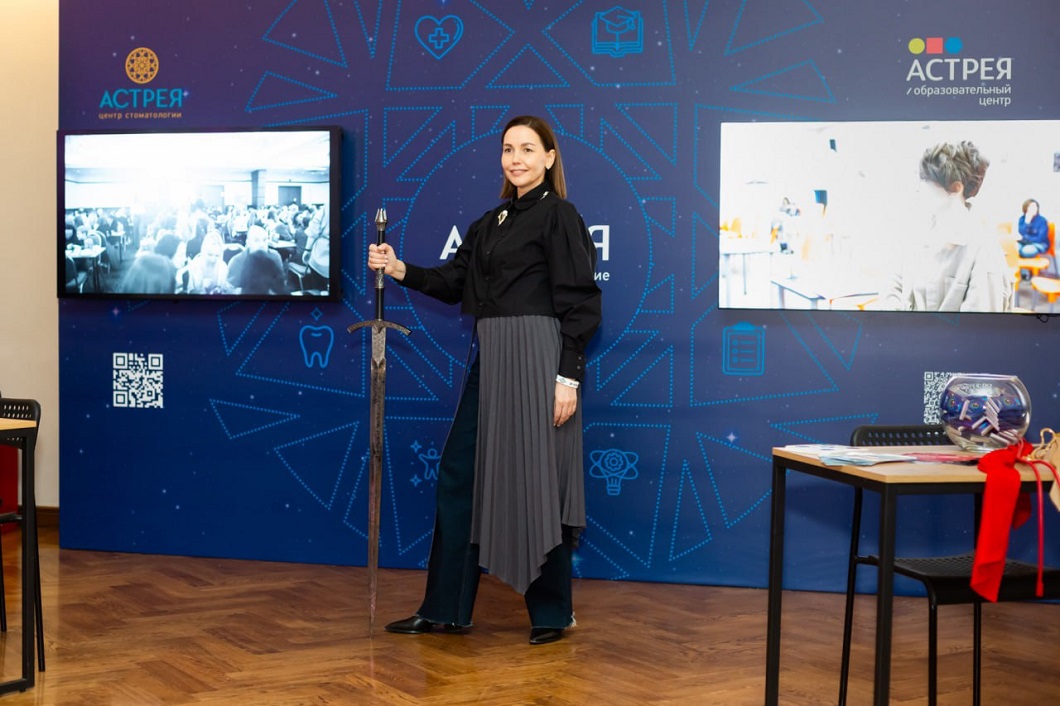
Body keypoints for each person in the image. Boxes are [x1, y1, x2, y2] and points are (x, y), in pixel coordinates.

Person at [367, 115, 602, 645]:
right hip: (492, 358)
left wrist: (567, 377)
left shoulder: (560, 215)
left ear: (549, 158)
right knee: (460, 476)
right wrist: (400, 268)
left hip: (539, 358)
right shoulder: (490, 223)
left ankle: (552, 614)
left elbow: (582, 302)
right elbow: (454, 282)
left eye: (527, 149)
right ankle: (445, 608)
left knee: (537, 480)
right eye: (508, 149)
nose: (516, 158)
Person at [879, 140, 1012, 312]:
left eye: (925, 180)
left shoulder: (985, 251)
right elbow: (894, 280)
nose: (919, 188)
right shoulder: (918, 231)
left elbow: (979, 325)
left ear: (956, 188)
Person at [227, 225, 286, 294]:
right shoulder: (237, 261)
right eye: (256, 240)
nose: (262, 245)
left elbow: (281, 284)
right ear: (248, 243)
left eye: (264, 240)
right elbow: (231, 290)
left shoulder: (275, 257)